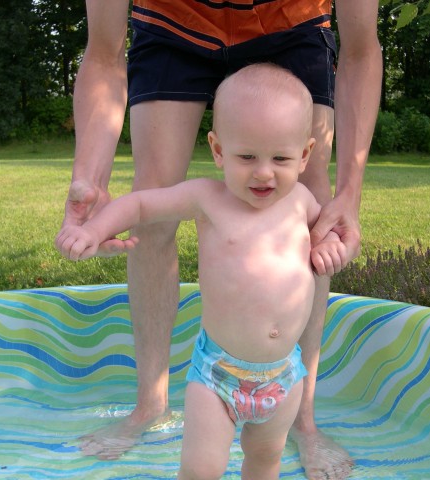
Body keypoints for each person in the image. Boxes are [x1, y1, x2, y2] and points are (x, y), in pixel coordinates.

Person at [57, 1, 382, 477]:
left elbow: (359, 50)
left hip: (289, 21)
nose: (263, 174)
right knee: (154, 202)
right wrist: (89, 183)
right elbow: (105, 52)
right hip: (173, 20)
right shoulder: (205, 194)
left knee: (315, 211)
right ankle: (150, 403)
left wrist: (349, 195)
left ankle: (303, 419)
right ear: (217, 150)